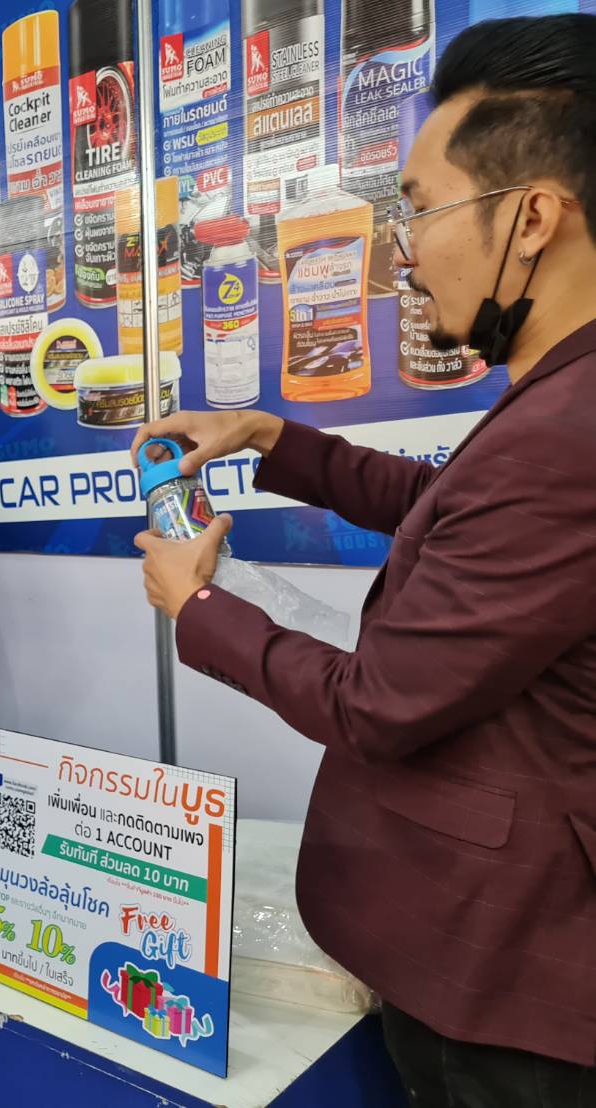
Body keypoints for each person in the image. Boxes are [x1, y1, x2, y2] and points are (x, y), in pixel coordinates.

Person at [132, 15, 596, 1105]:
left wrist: (197, 607)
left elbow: (377, 705)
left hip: (500, 1002)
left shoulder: (565, 436)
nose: (402, 250)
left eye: (420, 207)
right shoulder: (555, 404)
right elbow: (446, 507)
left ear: (531, 217)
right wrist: (265, 435)